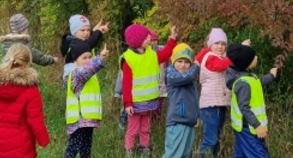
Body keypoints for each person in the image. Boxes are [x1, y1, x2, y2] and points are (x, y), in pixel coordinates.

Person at [0, 43, 50, 158]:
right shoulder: (30, 89)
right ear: (28, 64)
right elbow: (35, 119)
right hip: (22, 145)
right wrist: (43, 140)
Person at [121, 24, 177, 156]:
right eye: (146, 36)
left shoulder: (151, 54)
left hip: (149, 100)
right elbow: (126, 84)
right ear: (138, 40)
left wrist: (172, 39)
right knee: (133, 129)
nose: (150, 38)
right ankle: (128, 149)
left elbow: (166, 53)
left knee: (146, 127)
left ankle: (144, 146)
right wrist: (128, 103)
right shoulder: (128, 59)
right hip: (135, 103)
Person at [226, 43, 277, 158]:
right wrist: (257, 126)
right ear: (246, 63)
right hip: (249, 129)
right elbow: (244, 107)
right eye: (253, 57)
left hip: (245, 128)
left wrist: (271, 76)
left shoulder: (250, 77)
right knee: (259, 155)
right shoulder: (243, 83)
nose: (256, 58)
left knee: (241, 154)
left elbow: (259, 82)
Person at [64, 39, 109, 158]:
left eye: (90, 57)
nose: (88, 60)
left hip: (87, 120)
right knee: (73, 147)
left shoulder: (90, 76)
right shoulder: (77, 74)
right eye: (84, 58)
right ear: (75, 60)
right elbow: (88, 69)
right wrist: (100, 58)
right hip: (79, 120)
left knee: (86, 146)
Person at [194, 28, 233, 157]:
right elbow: (221, 66)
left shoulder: (220, 56)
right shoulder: (210, 57)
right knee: (211, 139)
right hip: (211, 104)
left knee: (216, 138)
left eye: (223, 44)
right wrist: (237, 56)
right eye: (217, 43)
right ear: (211, 45)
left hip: (219, 102)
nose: (220, 46)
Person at [162, 43, 200, 158]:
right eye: (180, 61)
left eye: (186, 62)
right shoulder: (171, 74)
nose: (183, 65)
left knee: (185, 154)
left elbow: (194, 97)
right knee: (173, 155)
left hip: (189, 121)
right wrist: (195, 66)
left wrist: (196, 115)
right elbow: (187, 77)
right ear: (173, 61)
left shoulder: (190, 77)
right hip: (177, 122)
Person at [60, 14, 109, 81]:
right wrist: (98, 32)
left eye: (88, 30)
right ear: (74, 32)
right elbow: (87, 44)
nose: (86, 33)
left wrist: (93, 32)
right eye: (82, 30)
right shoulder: (74, 44)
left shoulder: (72, 41)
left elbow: (86, 42)